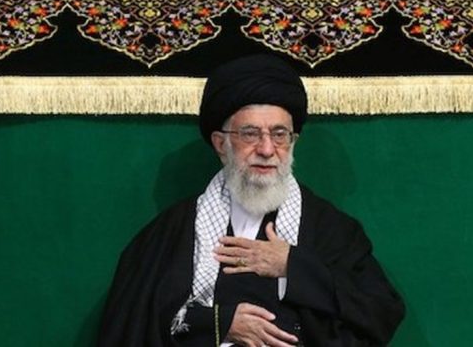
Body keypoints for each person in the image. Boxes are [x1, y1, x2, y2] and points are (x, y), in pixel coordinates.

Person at [98, 54, 405, 347]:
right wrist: (220, 324)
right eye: (250, 134)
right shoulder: (172, 231)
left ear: (293, 142)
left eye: (279, 134)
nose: (267, 149)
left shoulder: (331, 229)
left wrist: (292, 267)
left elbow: (380, 312)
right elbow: (132, 322)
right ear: (221, 144)